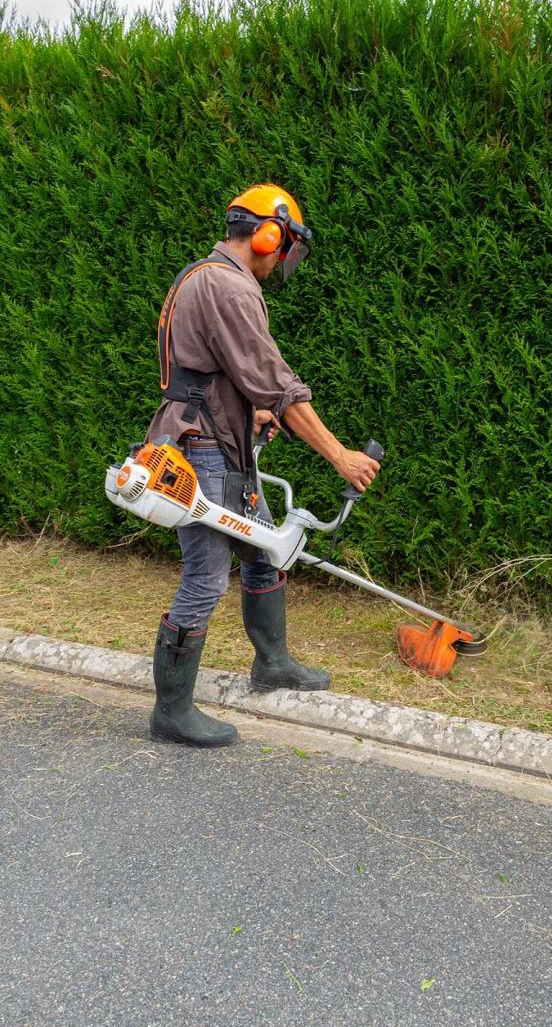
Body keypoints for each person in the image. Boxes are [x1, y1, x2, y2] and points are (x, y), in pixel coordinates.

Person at [145, 183, 381, 748]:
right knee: (204, 577)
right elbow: (279, 387)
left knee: (266, 549)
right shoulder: (228, 287)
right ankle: (171, 711)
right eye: (285, 246)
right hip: (204, 452)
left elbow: (219, 373)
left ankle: (271, 662)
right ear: (268, 233)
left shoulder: (203, 276)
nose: (282, 261)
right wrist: (341, 456)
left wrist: (248, 413)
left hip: (222, 442)